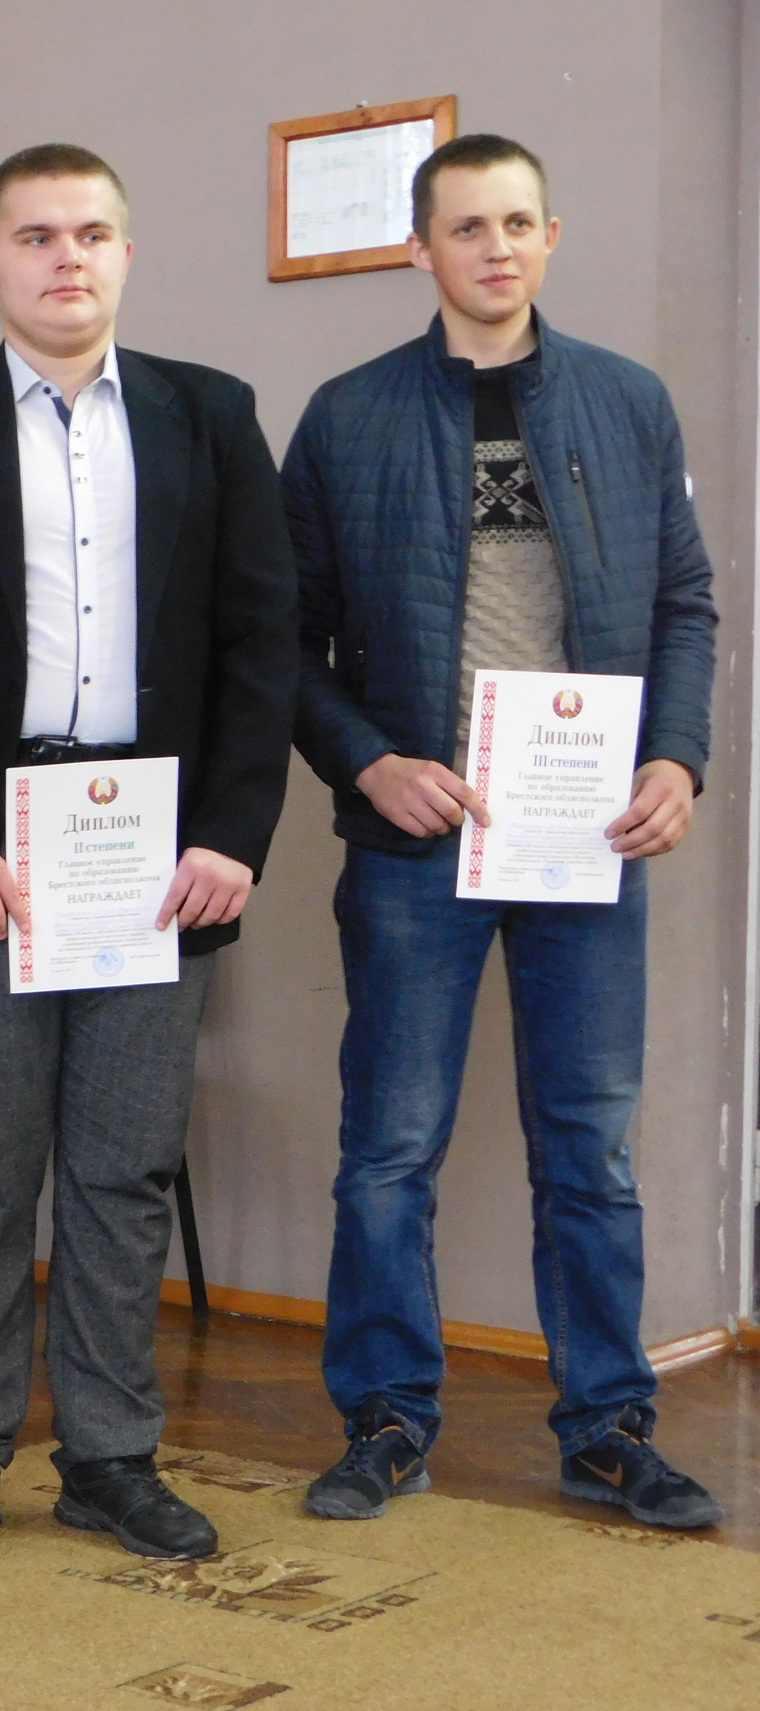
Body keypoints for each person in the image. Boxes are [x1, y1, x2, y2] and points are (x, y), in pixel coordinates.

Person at [0, 144, 296, 1567]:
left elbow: (262, 641)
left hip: (156, 854)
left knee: (124, 1167)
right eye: (35, 236)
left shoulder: (212, 415)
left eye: (91, 232)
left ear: (127, 254)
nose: (66, 257)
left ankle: (108, 1457)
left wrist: (234, 833)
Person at [287, 133, 721, 1527]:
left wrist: (677, 757)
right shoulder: (348, 417)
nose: (496, 248)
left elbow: (685, 605)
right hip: (418, 846)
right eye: (467, 227)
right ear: (421, 249)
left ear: (551, 237)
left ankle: (609, 1429)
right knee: (388, 1152)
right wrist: (371, 765)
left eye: (519, 223)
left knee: (589, 1149)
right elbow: (283, 643)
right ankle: (386, 1422)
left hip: (585, 840)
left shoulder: (627, 403)